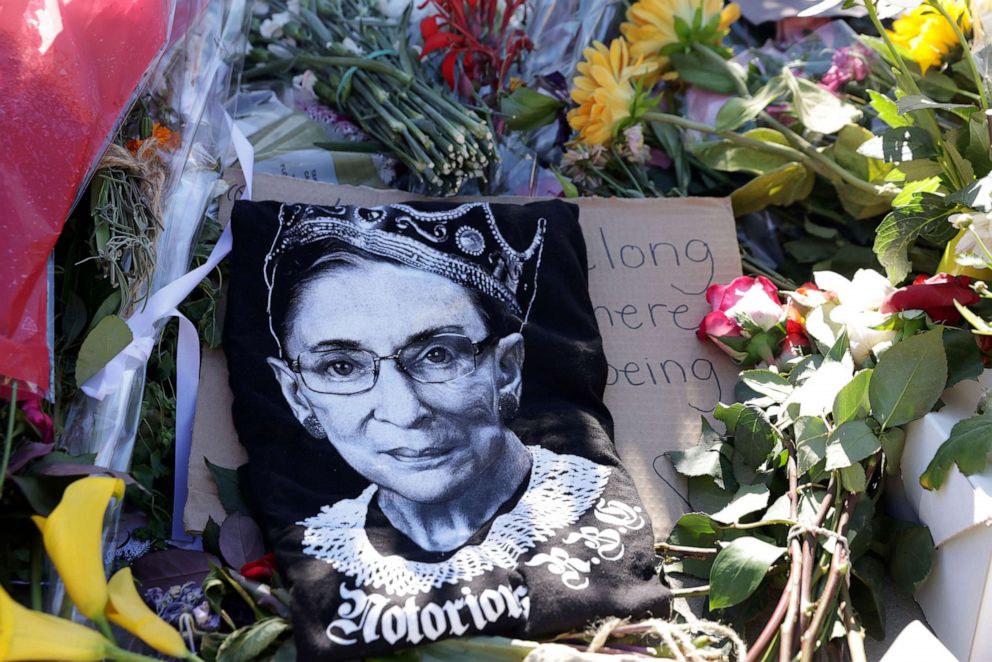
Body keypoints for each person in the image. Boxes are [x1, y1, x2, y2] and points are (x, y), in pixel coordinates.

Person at [257, 202, 667, 656]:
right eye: (341, 366)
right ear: (297, 395)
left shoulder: (590, 503)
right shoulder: (323, 544)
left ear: (506, 369)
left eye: (437, 354)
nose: (405, 411)